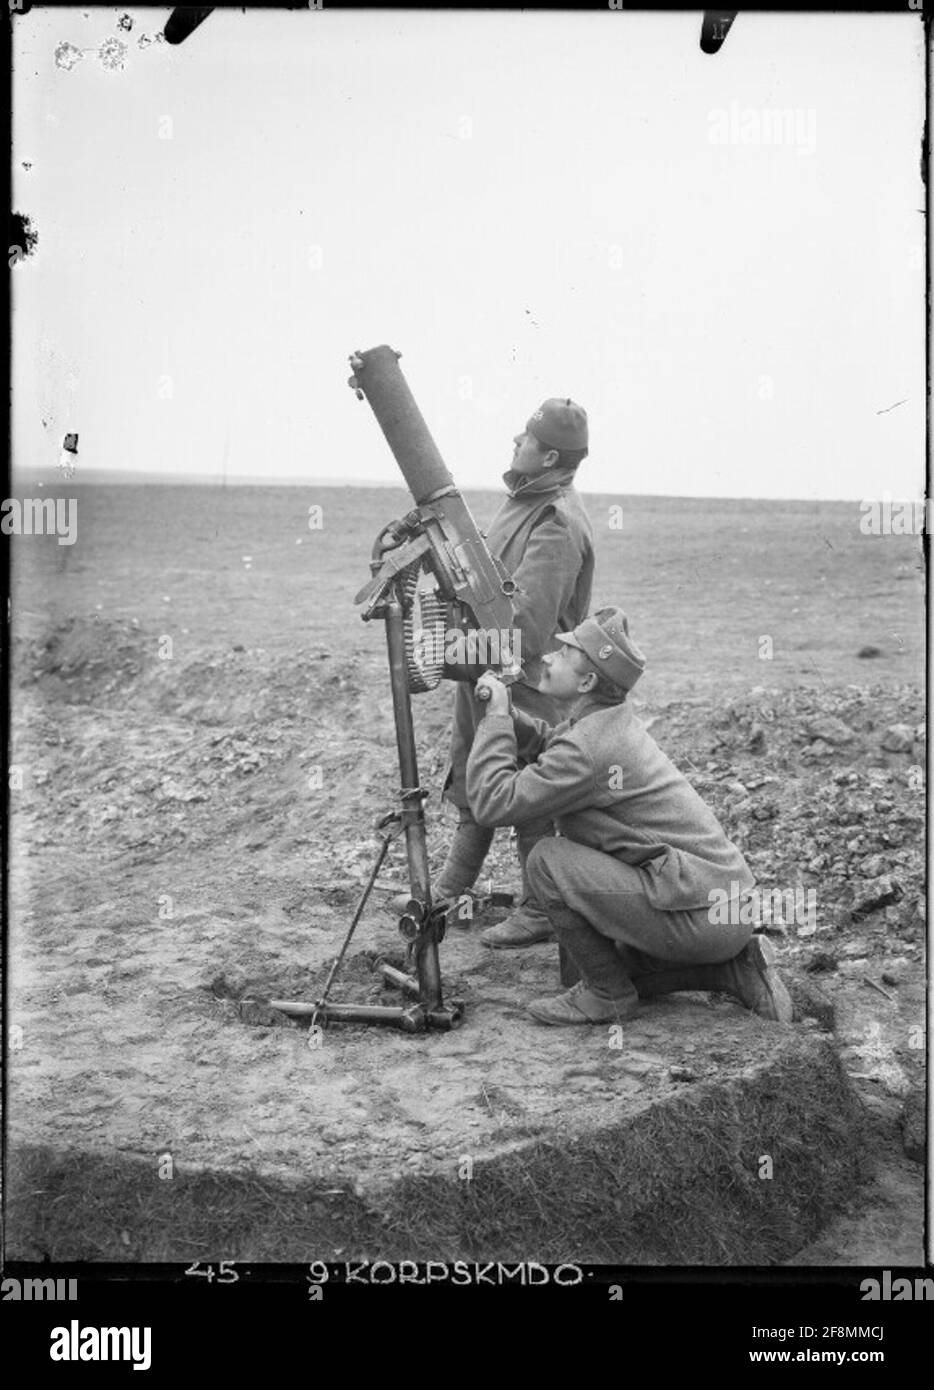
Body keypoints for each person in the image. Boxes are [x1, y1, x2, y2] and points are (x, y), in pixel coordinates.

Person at [466, 607, 794, 1027]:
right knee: (578, 965)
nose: (547, 657)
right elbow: (556, 748)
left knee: (548, 860)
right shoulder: (602, 724)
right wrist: (509, 717)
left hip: (700, 914)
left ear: (586, 682)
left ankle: (609, 996)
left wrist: (495, 721)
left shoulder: (589, 747)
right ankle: (729, 970)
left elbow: (494, 803)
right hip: (716, 908)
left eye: (563, 653)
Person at [434, 398, 595, 947]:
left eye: (525, 437)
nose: (514, 441)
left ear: (549, 454)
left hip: (526, 678)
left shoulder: (556, 520)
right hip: (489, 666)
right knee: (473, 777)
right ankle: (449, 891)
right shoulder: (523, 503)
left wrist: (460, 649)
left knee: (527, 796)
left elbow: (526, 625)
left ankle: (539, 910)